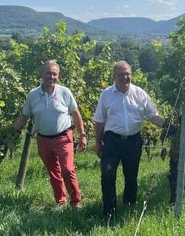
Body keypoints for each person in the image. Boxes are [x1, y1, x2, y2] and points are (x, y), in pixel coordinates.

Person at [94, 60, 173, 217]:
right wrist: (98, 143)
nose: (125, 77)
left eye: (127, 74)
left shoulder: (140, 93)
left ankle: (129, 206)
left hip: (133, 141)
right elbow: (99, 121)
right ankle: (109, 212)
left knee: (131, 176)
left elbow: (153, 116)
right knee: (108, 175)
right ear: (114, 77)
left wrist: (169, 126)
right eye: (121, 74)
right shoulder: (106, 95)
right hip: (112, 140)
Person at [12, 60, 87, 209]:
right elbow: (24, 116)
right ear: (42, 74)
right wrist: (9, 132)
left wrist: (82, 135)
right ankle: (60, 201)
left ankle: (76, 202)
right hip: (43, 140)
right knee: (53, 172)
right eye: (48, 73)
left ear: (58, 76)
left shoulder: (65, 92)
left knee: (67, 169)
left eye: (54, 74)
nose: (51, 76)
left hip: (63, 138)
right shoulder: (33, 95)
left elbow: (76, 114)